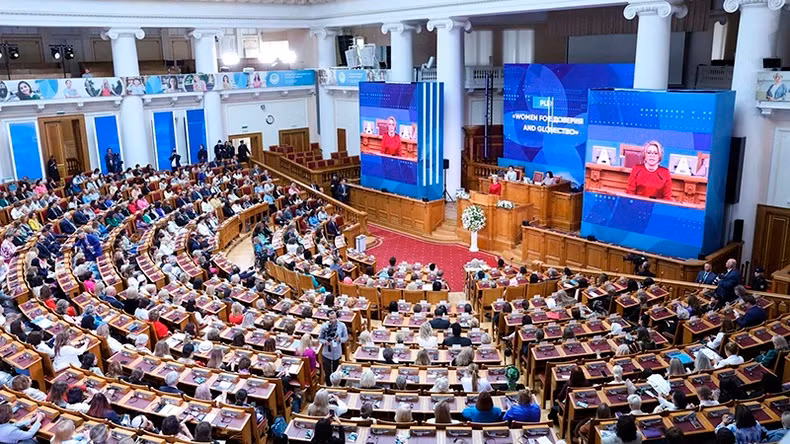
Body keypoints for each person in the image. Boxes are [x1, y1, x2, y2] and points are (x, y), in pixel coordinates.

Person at [318, 310, 348, 385]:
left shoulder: (342, 326)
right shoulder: (324, 326)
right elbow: (320, 338)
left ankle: (337, 386)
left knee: (336, 372)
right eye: (331, 318)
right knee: (327, 373)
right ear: (328, 318)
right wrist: (325, 342)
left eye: (334, 318)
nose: (333, 320)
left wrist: (340, 339)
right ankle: (329, 387)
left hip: (337, 353)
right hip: (326, 353)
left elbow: (346, 338)